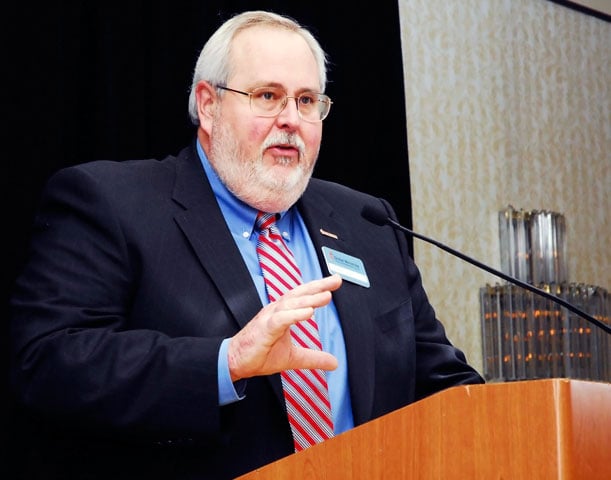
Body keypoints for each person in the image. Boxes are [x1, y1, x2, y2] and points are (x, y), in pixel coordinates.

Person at [8, 9, 484, 480]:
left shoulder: (368, 223)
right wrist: (227, 361)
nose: (291, 120)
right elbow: (49, 363)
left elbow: (442, 385)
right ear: (209, 105)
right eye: (268, 96)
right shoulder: (111, 203)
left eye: (306, 100)